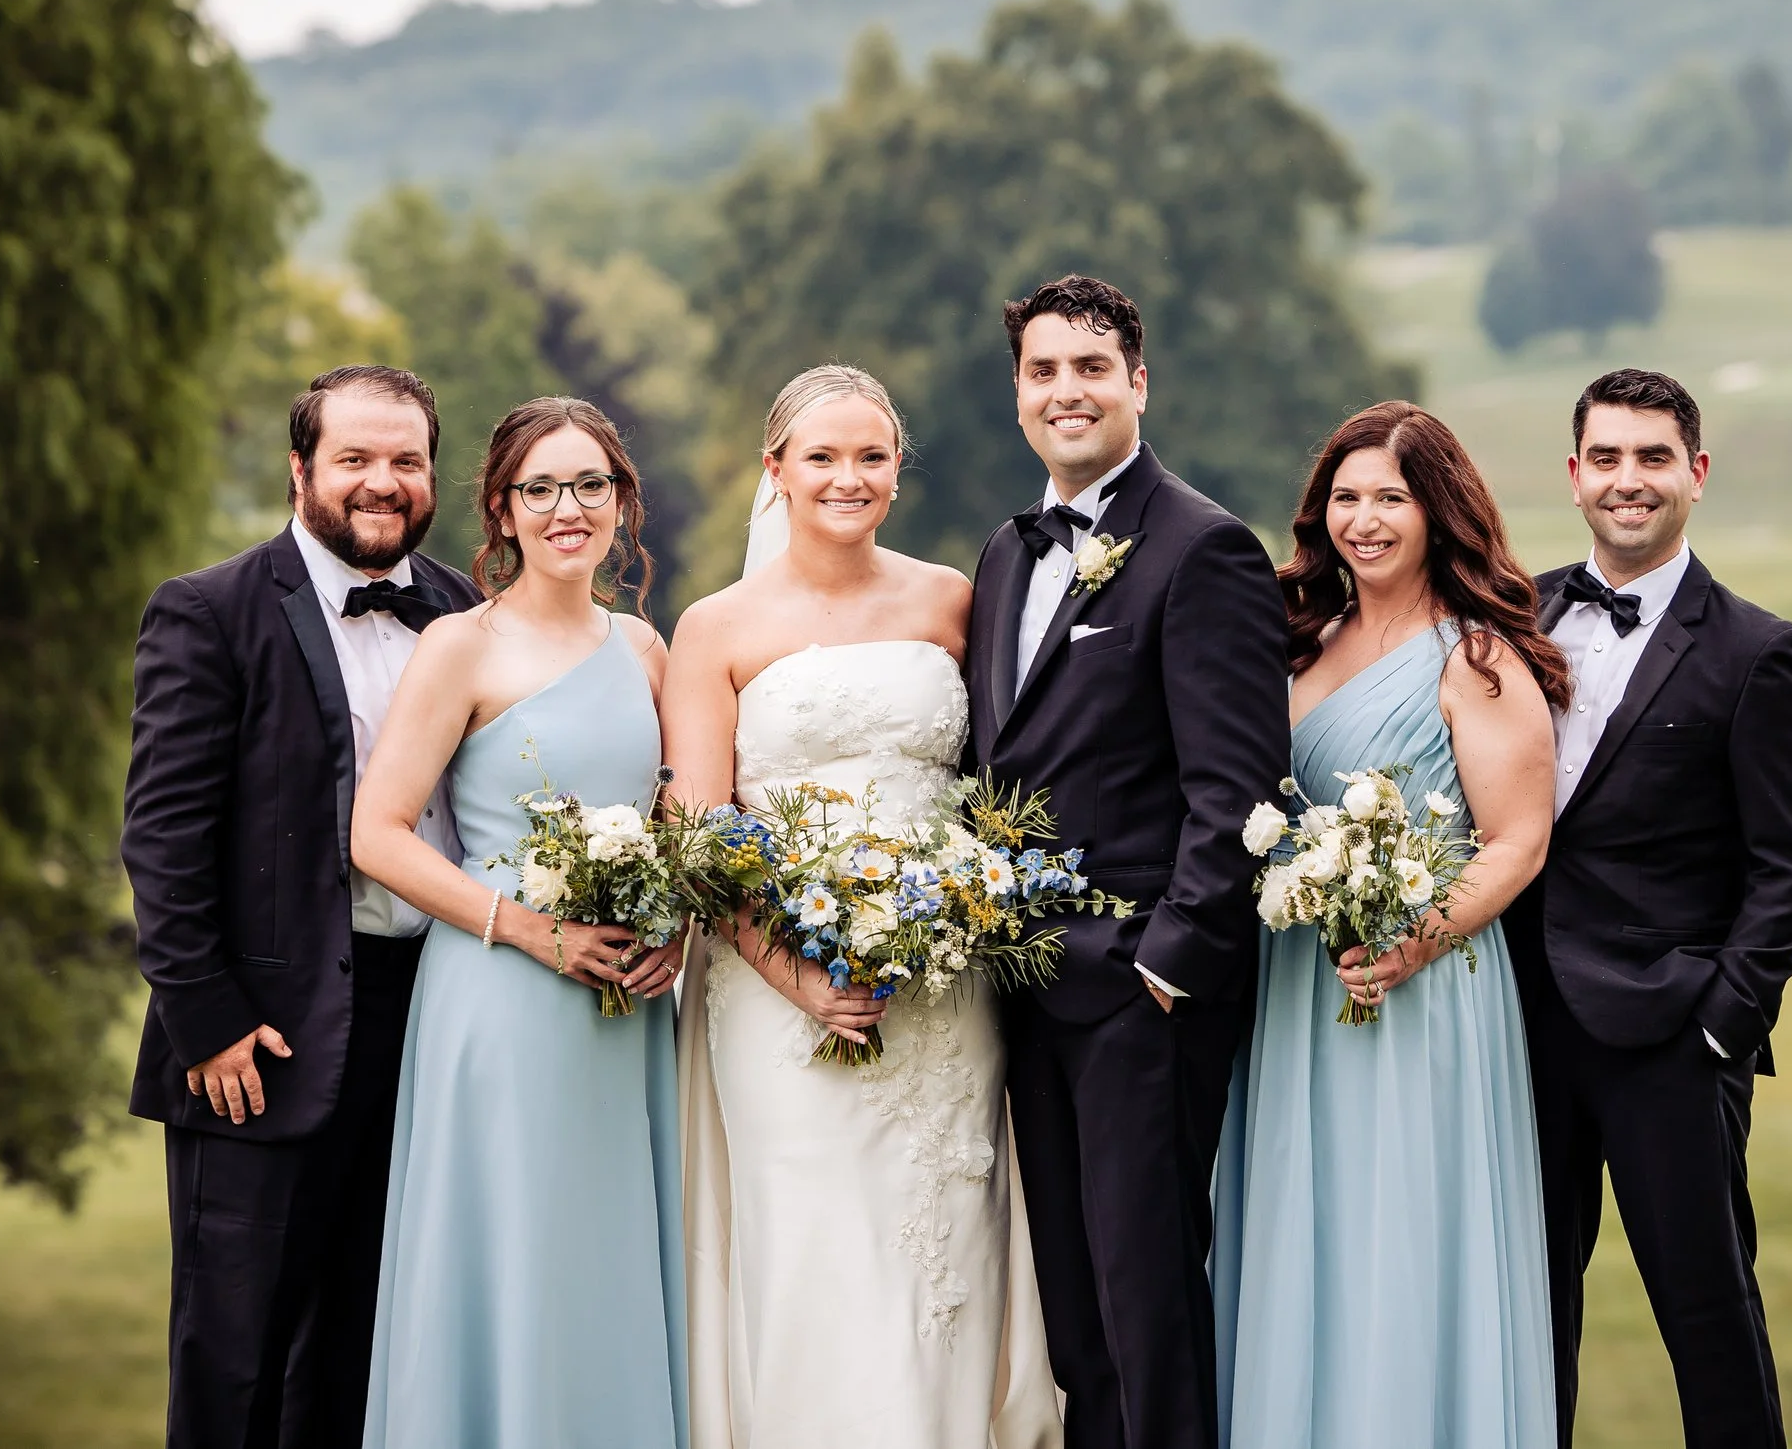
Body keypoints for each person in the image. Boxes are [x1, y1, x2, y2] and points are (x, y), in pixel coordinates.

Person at [663, 365, 1063, 1449]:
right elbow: (698, 835)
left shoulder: (949, 599)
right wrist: (798, 976)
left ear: (897, 470)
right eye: (823, 456)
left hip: (941, 990)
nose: (848, 477)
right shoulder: (714, 627)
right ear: (776, 470)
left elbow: (998, 786)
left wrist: (962, 909)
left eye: (871, 456)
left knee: (945, 1238)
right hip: (776, 995)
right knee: (813, 1245)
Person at [123, 365, 479, 1449]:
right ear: (300, 468)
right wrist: (207, 1018)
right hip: (261, 1040)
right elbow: (163, 837)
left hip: (433, 1024)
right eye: (354, 458)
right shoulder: (209, 610)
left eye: (406, 460)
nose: (383, 481)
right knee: (238, 1359)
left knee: (370, 1353)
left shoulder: (468, 612)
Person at [966, 276, 1290, 1449]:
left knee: (1148, 1307)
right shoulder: (1005, 552)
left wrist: (1165, 965)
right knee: (1079, 1321)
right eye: (1044, 370)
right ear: (1017, 392)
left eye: (1091, 367)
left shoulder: (1205, 548)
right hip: (1024, 987)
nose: (1067, 390)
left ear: (1138, 383)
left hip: (1140, 999)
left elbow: (1239, 788)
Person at [1210, 402, 1562, 1448]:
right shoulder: (1296, 636)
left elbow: (1515, 842)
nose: (1363, 520)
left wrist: (1411, 942)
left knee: (1399, 1232)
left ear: (1438, 512)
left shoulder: (1476, 658)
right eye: (1345, 497)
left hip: (1418, 990)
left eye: (1390, 498)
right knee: (1299, 1221)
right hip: (1289, 983)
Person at [349, 397, 686, 1447]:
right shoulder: (460, 645)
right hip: (499, 993)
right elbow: (378, 833)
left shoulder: (646, 648)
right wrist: (534, 932)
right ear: (500, 509)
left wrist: (675, 926)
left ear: (622, 502)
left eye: (589, 484)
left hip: (624, 1011)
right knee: (512, 1250)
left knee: (604, 1254)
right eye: (539, 488)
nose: (566, 508)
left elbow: (677, 825)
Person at [1506, 369, 1792, 1449]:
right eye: (1606, 457)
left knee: (1709, 1321)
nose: (1628, 480)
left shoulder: (1759, 652)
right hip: (1515, 1032)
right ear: (1573, 475)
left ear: (1696, 473)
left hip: (1671, 1042)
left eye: (1653, 457)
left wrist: (1720, 1027)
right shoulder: (1511, 615)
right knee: (1523, 1323)